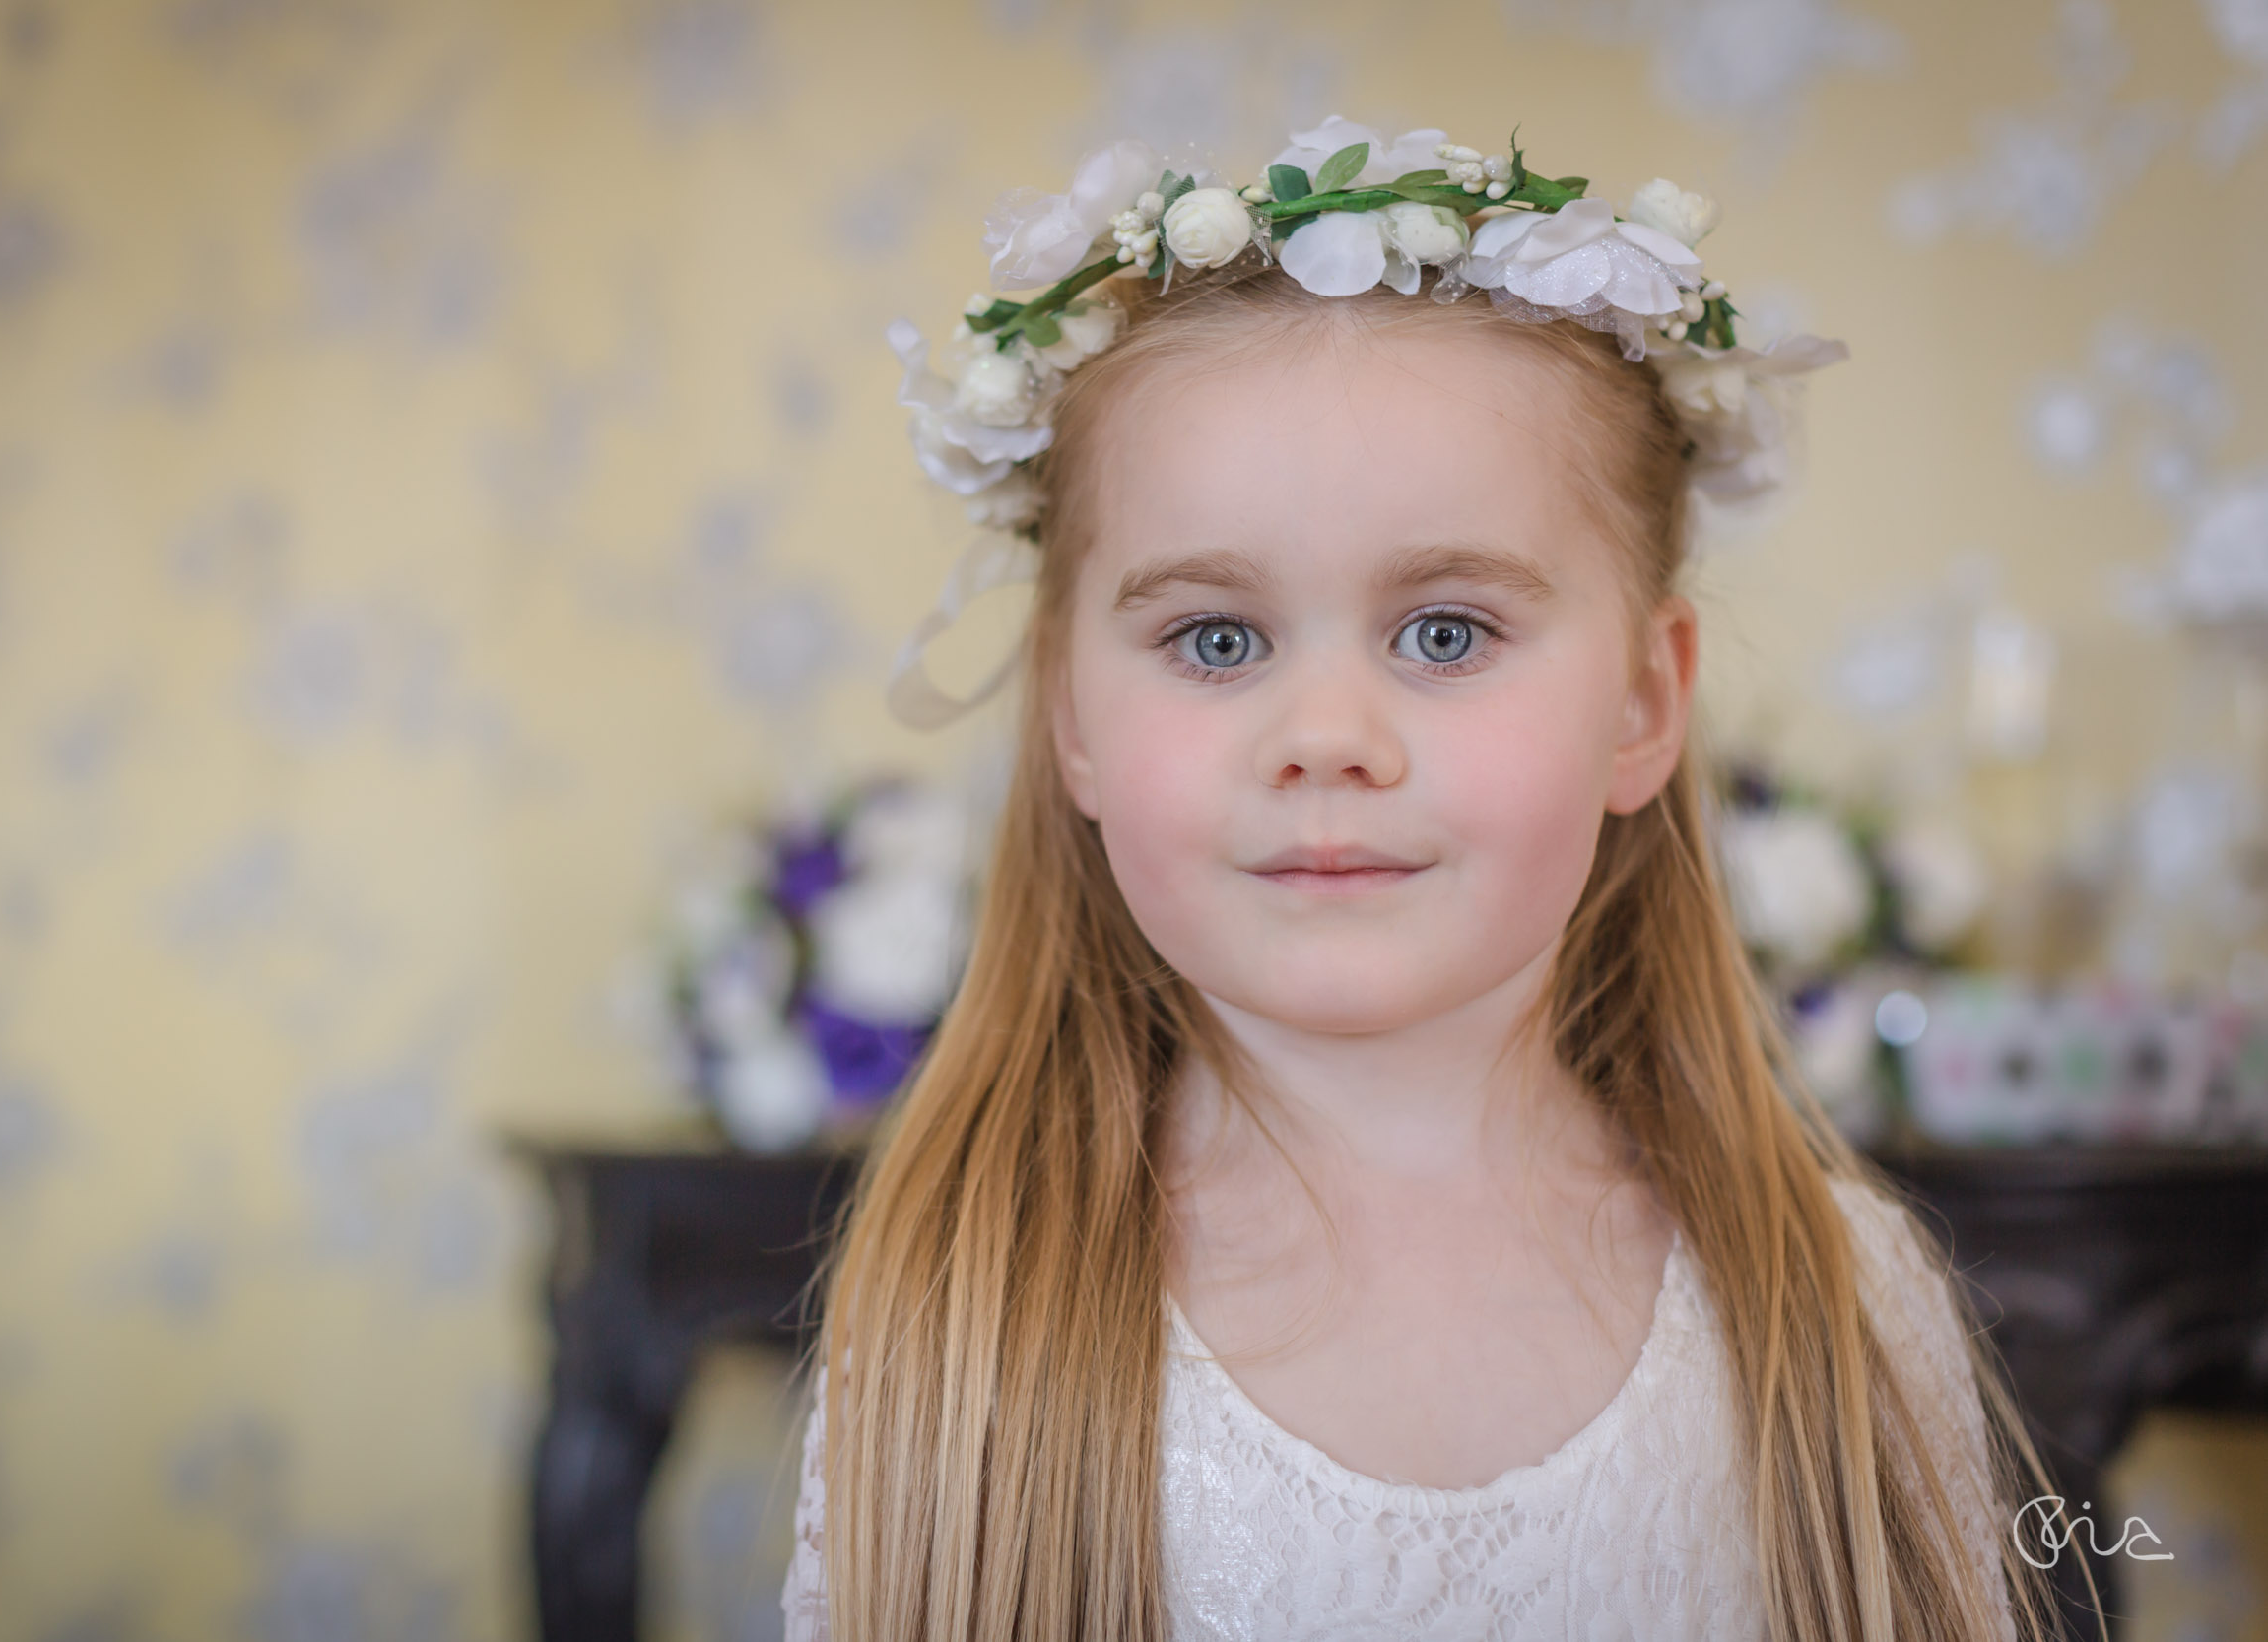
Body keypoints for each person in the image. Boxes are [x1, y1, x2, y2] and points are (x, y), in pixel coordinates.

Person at [781, 117, 2081, 1641]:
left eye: (1446, 633)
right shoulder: (955, 1327)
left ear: (1644, 706)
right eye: (1216, 639)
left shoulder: (1843, 1308)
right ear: (1070, 716)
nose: (1325, 739)